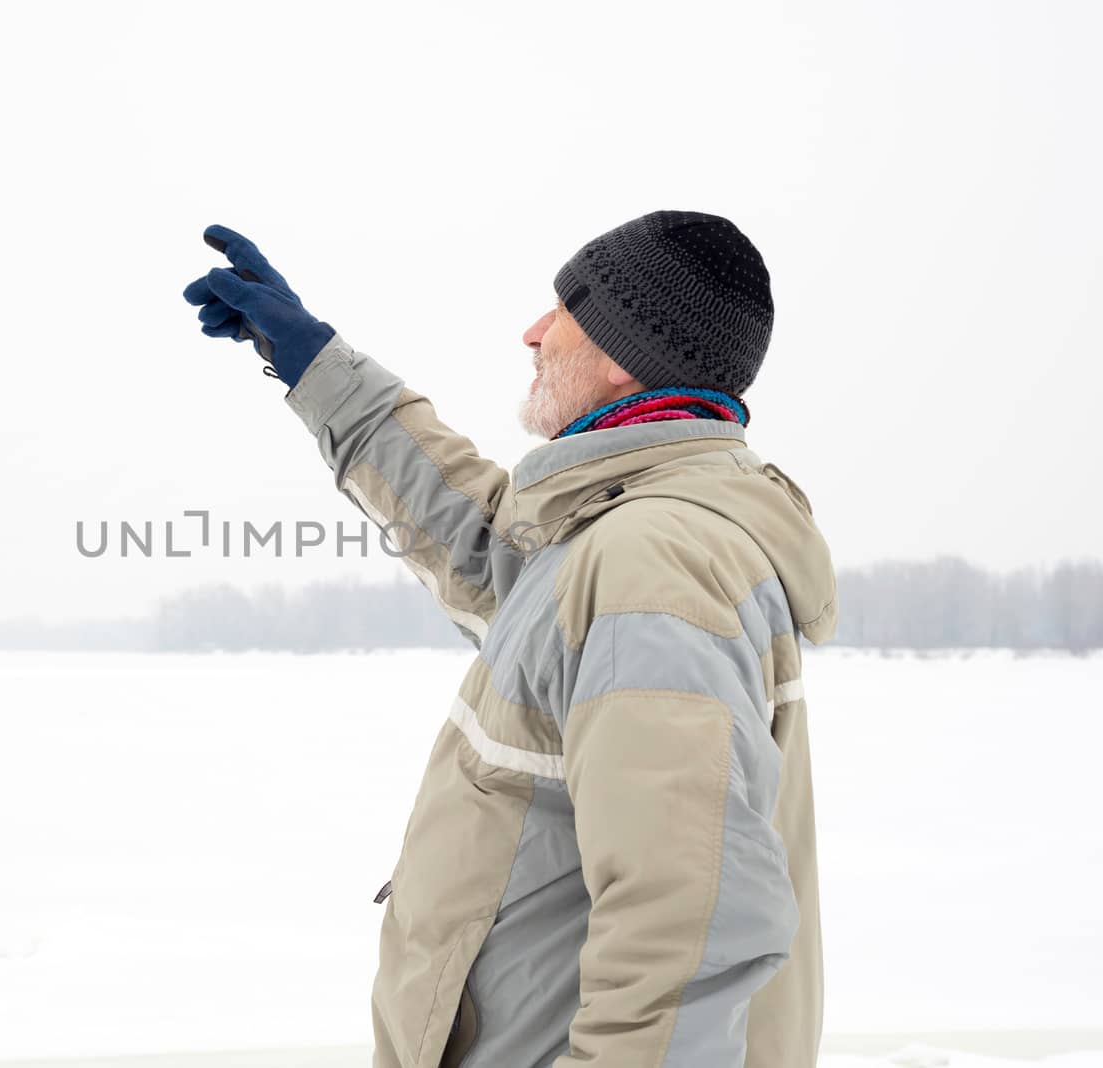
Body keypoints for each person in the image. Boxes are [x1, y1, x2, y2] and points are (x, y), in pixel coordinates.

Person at [182, 212, 839, 1068]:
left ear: (620, 351)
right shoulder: (617, 535)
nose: (532, 333)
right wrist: (318, 366)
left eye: (563, 309)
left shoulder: (653, 564)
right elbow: (493, 556)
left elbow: (685, 925)